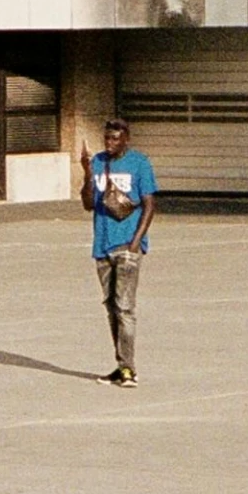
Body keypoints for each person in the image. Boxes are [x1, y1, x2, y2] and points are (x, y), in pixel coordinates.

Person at [78, 115, 156, 386]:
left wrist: (136, 242)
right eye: (106, 138)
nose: (109, 143)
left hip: (127, 245)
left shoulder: (139, 163)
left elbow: (149, 204)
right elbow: (89, 204)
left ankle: (128, 370)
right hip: (102, 244)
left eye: (115, 138)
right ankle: (121, 364)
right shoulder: (98, 162)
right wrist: (88, 173)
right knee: (111, 307)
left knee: (124, 307)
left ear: (126, 139)